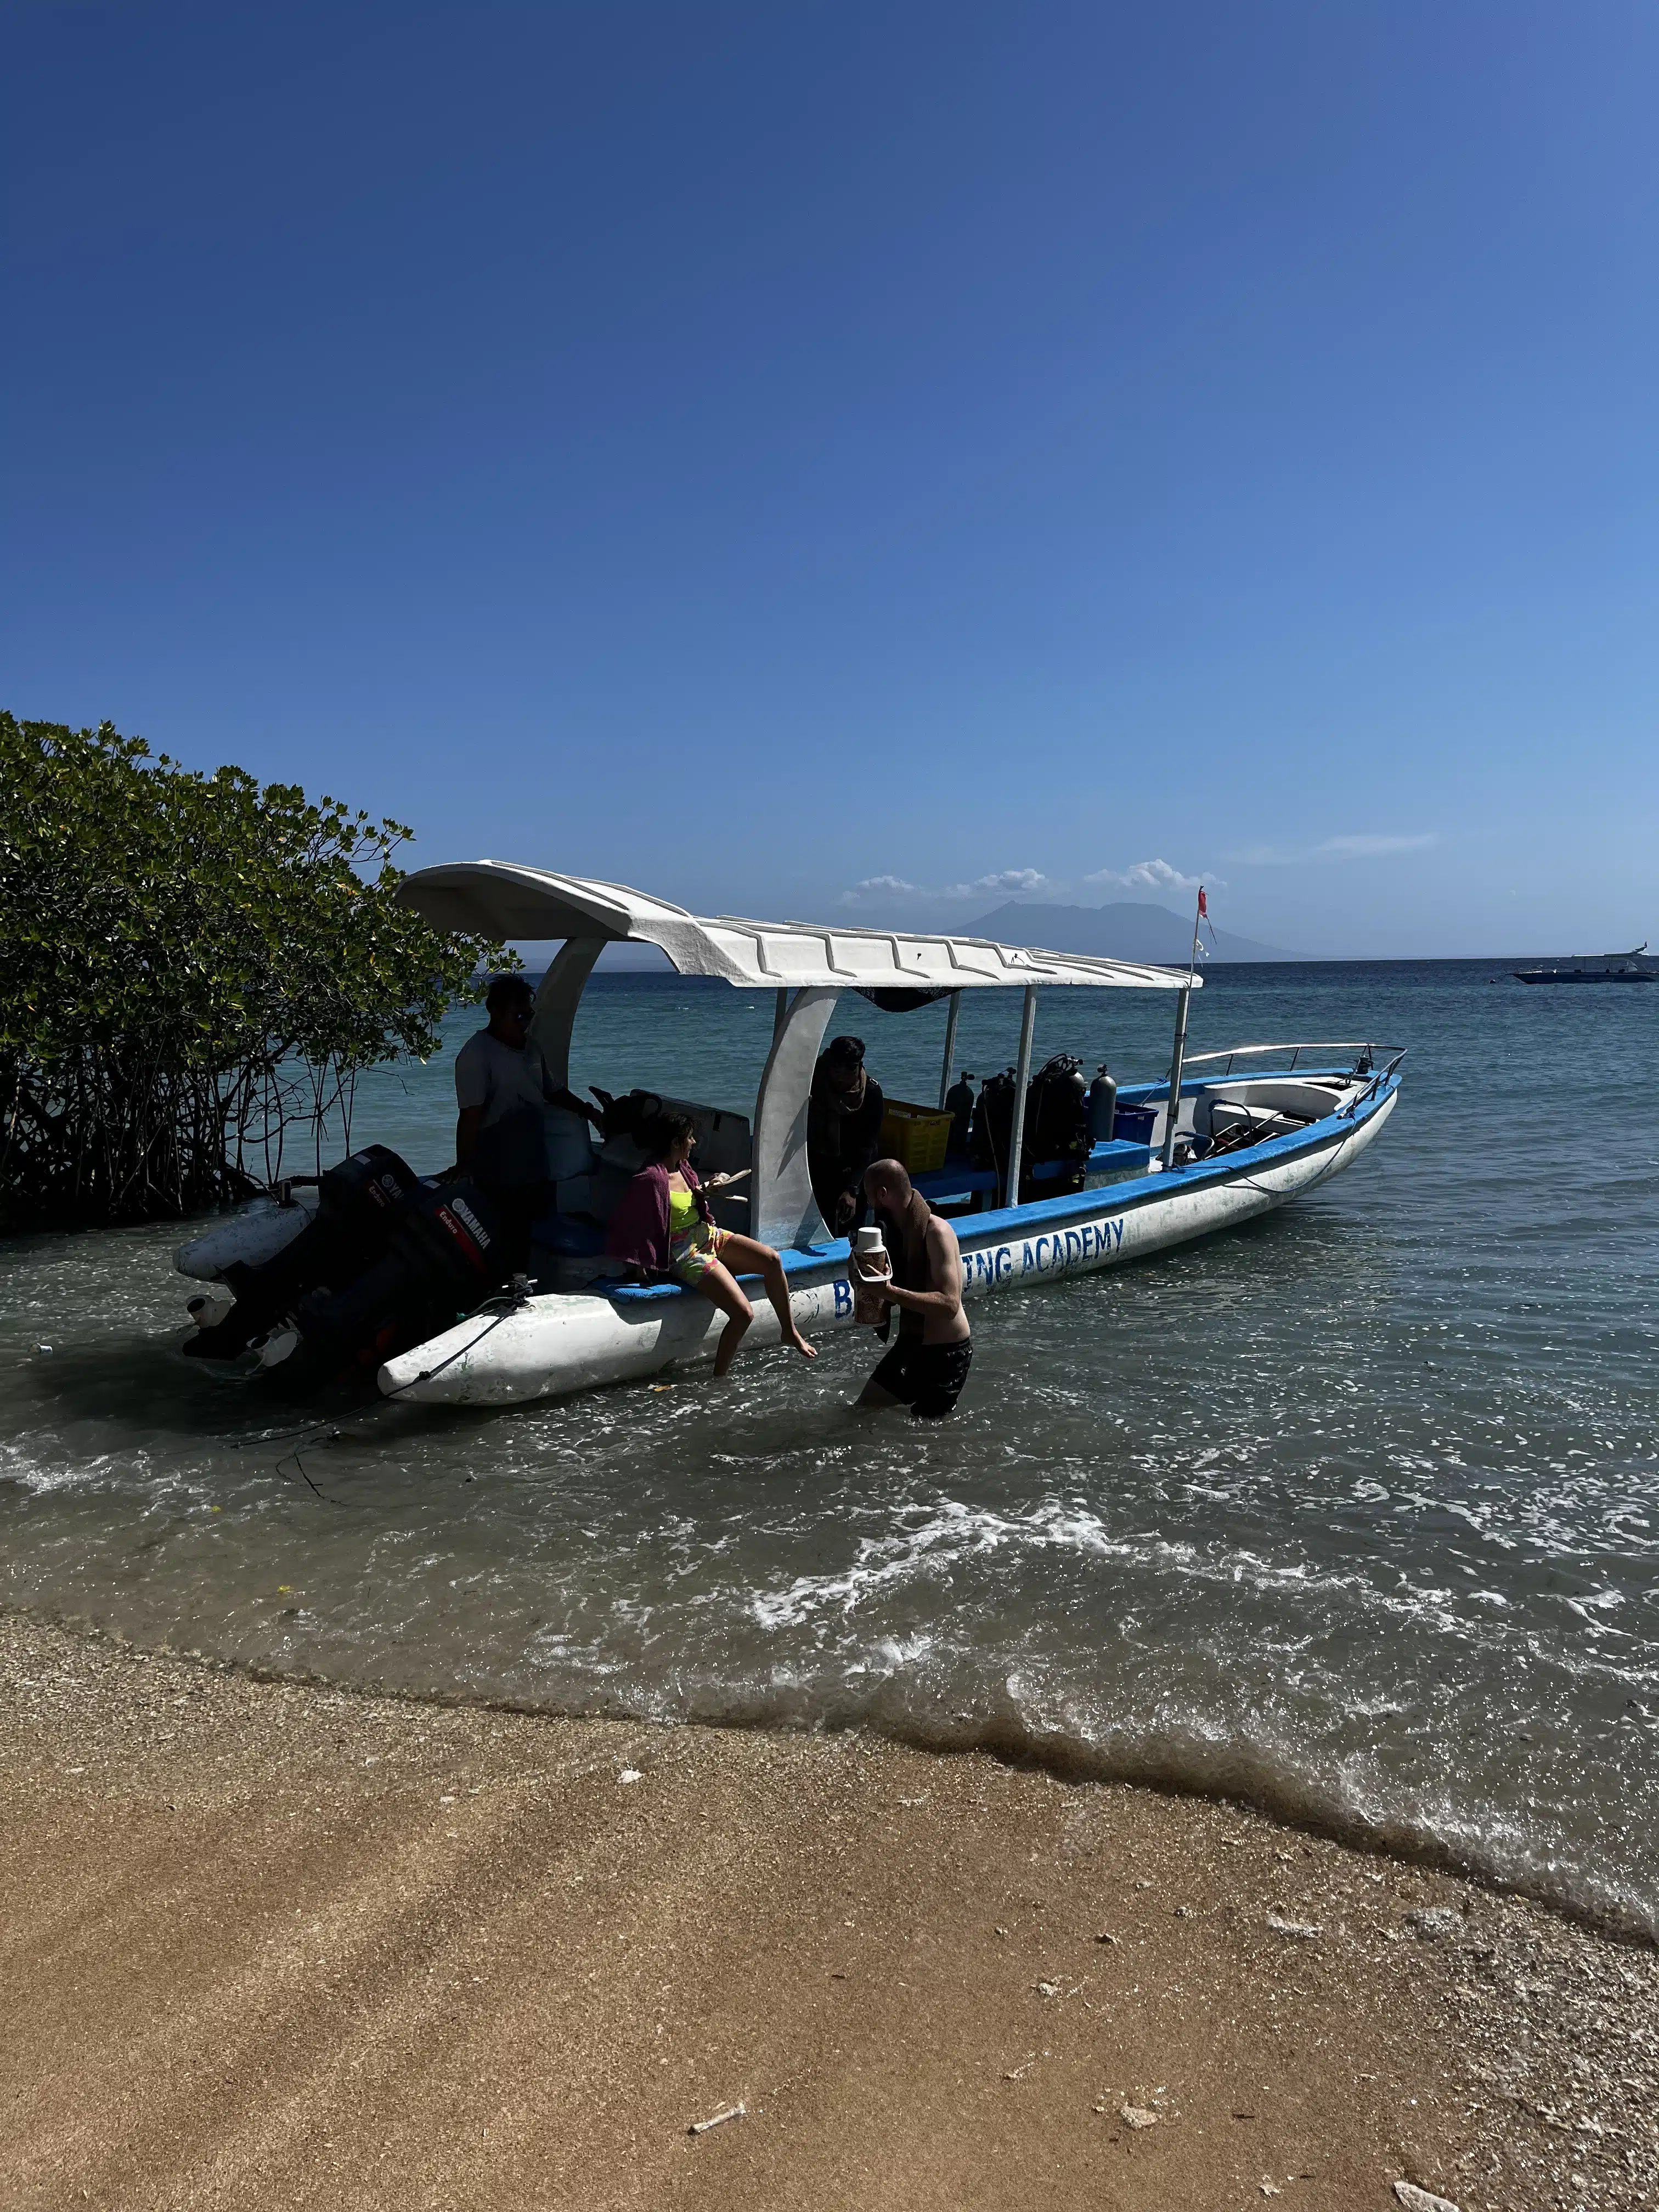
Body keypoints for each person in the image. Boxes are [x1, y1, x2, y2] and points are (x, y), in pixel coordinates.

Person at [606, 1110, 816, 1378]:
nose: (693, 1142)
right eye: (689, 1138)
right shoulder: (648, 1179)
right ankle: (720, 1379)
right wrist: (640, 1268)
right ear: (675, 1143)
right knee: (744, 1314)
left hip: (707, 1235)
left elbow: (695, 1194)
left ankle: (789, 1331)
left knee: (772, 1260)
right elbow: (628, 1224)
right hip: (683, 1252)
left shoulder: (683, 1167)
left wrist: (711, 1186)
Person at [453, 973, 605, 1266]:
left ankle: (530, 1288)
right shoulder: (477, 1055)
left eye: (529, 1015)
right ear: (494, 1011)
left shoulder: (531, 1048)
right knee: (505, 1239)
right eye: (518, 1015)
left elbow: (553, 1091)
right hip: (499, 1170)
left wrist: (589, 1112)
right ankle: (505, 1292)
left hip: (536, 1164)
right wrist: (464, 1166)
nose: (525, 1022)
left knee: (536, 1232)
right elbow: (470, 1116)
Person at [849, 1158, 973, 1418]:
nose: (870, 1205)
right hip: (911, 1345)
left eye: (870, 1197)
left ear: (882, 1195)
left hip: (946, 1354)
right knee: (862, 1411)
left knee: (927, 1438)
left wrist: (888, 1292)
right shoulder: (896, 1234)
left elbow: (949, 1306)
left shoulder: (936, 1232)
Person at [807, 1034, 885, 1237]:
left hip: (854, 1166)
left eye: (850, 1068)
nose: (841, 1075)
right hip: (820, 1162)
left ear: (859, 1066)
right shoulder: (813, 1084)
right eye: (836, 1067)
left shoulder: (871, 1093)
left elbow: (868, 1144)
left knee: (851, 1230)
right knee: (816, 1228)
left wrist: (852, 1189)